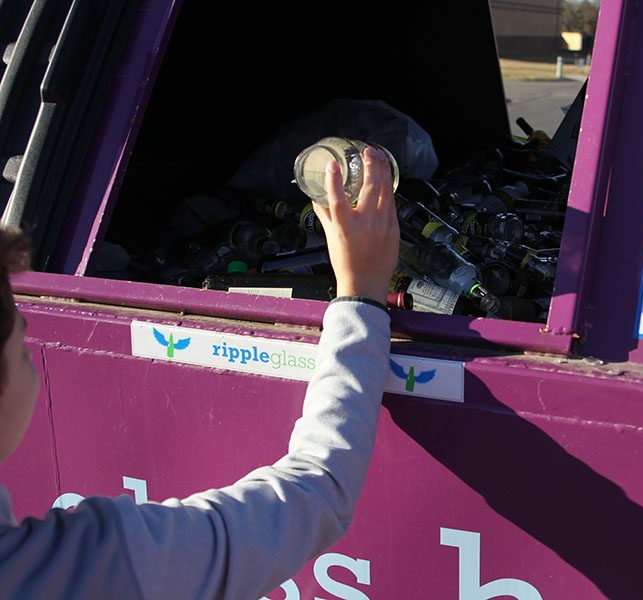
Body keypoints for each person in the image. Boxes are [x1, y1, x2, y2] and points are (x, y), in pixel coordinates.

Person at [0, 147, 400, 598]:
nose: (31, 356)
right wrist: (362, 296)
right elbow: (317, 489)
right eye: (23, 351)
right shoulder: (90, 566)